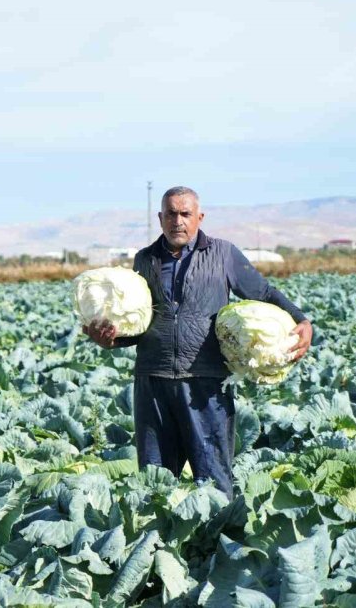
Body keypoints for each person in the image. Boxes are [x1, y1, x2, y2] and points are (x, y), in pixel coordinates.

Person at [81, 186, 312, 498]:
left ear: (199, 217)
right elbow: (138, 325)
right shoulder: (145, 260)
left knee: (215, 479)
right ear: (160, 218)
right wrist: (110, 339)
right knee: (154, 481)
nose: (178, 221)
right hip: (153, 383)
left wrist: (301, 320)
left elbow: (264, 293)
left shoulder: (223, 254)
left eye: (185, 214)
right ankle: (158, 541)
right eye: (171, 214)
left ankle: (218, 542)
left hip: (206, 386)